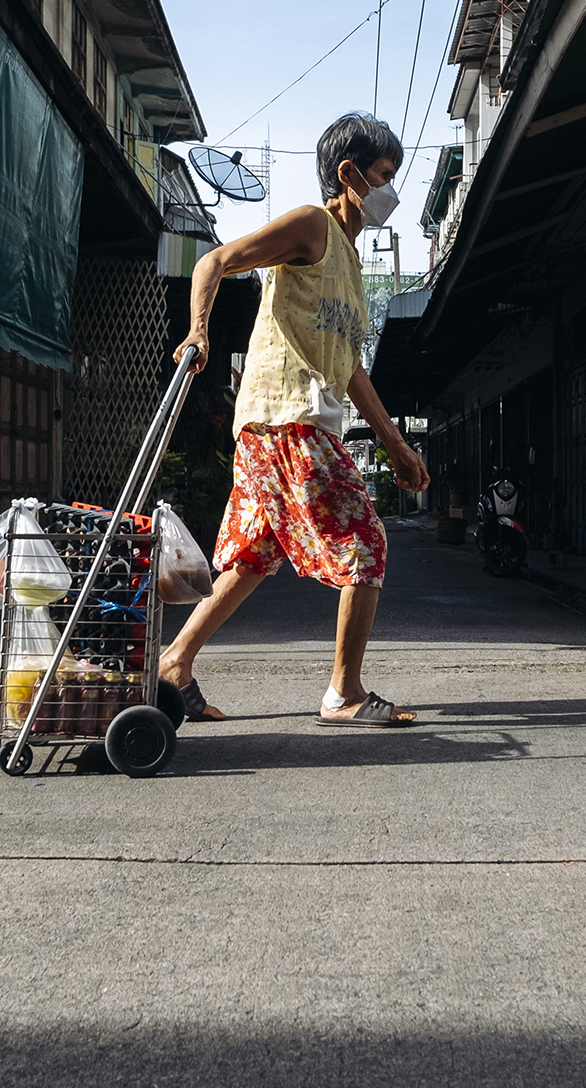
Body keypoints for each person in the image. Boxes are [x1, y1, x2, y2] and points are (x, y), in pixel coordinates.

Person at [157, 112, 432, 728]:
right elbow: (216, 261)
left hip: (289, 422)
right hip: (286, 416)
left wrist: (395, 444)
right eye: (384, 175)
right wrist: (199, 330)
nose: (391, 189)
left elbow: (350, 368)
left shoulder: (354, 267)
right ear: (349, 174)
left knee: (253, 556)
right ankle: (345, 692)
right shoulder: (312, 226)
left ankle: (175, 663)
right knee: (364, 542)